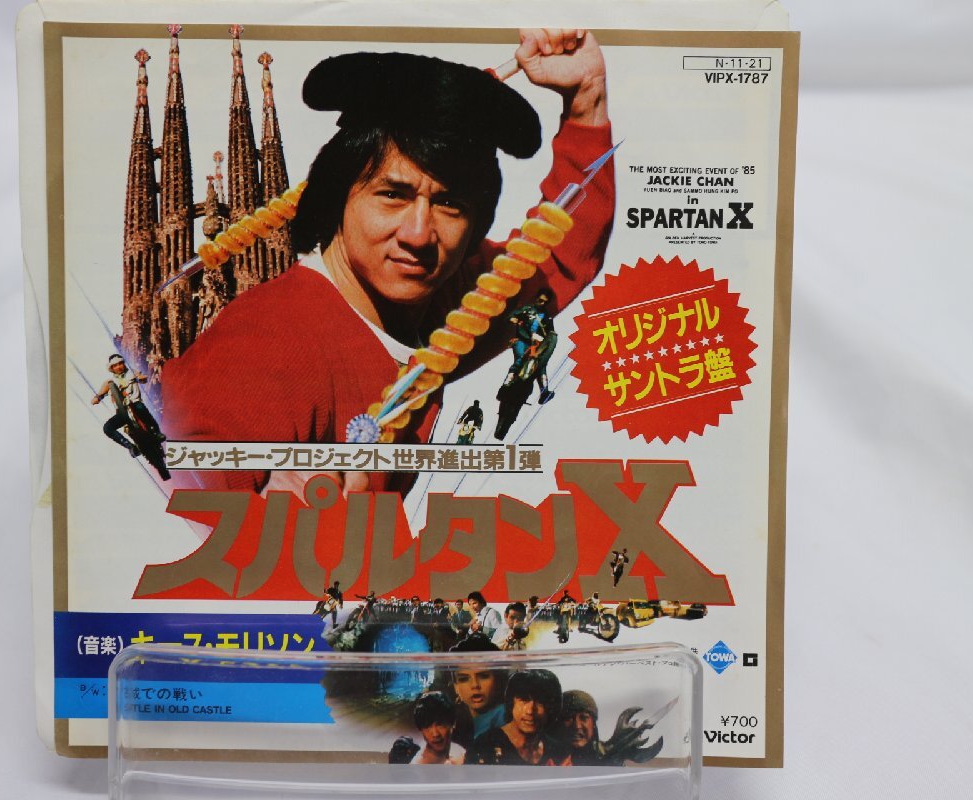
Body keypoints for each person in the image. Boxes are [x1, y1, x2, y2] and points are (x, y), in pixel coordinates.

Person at [161, 29, 616, 494]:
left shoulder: (438, 306)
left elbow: (555, 252)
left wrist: (587, 99)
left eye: (450, 204)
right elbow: (181, 490)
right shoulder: (269, 344)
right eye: (393, 195)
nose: (418, 234)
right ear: (338, 195)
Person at [465, 669, 569, 765]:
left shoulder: (556, 749)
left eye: (540, 702)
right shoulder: (485, 745)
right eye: (524, 700)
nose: (530, 711)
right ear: (511, 702)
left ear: (551, 707)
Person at [92, 354, 164, 457]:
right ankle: (130, 446)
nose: (118, 367)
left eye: (120, 363)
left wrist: (141, 378)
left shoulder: (132, 373)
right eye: (115, 365)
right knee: (107, 428)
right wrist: (96, 399)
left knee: (140, 407)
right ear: (111, 368)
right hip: (122, 412)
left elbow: (142, 379)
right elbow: (100, 394)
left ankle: (156, 432)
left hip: (135, 404)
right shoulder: (109, 383)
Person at [448, 635, 507, 746]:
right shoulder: (454, 720)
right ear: (456, 686)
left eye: (483, 676)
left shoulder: (504, 717)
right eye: (464, 679)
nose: (475, 685)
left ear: (498, 679)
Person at [503, 288, 559, 404]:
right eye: (540, 300)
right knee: (520, 359)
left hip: (535, 344)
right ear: (536, 298)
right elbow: (511, 316)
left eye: (545, 302)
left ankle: (544, 392)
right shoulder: (526, 309)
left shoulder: (547, 318)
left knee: (540, 365)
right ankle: (506, 385)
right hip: (521, 340)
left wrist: (545, 340)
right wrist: (515, 320)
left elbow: (550, 334)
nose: (542, 303)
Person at [411, 691, 466, 764]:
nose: (435, 734)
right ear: (421, 729)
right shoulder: (417, 765)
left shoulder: (460, 753)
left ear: (453, 723)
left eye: (440, 724)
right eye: (427, 726)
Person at [555, 690, 604, 765]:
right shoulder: (544, 757)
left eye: (584, 718)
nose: (577, 726)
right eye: (568, 718)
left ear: (593, 723)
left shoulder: (606, 755)